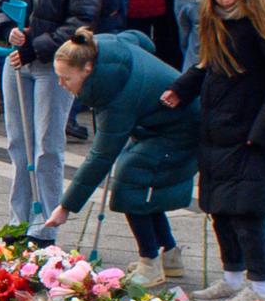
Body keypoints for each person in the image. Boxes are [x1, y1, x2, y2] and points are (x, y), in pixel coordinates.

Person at [164, 0, 265, 301]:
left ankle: (261, 289)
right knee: (220, 209)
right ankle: (233, 278)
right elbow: (208, 62)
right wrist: (182, 88)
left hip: (251, 130)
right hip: (218, 128)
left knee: (247, 213)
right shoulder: (216, 18)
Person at [40, 27, 200, 285]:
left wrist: (66, 206)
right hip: (164, 123)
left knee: (131, 181)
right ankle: (170, 256)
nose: (61, 84)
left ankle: (150, 263)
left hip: (182, 129)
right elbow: (139, 39)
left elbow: (101, 156)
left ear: (87, 70)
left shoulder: (115, 96)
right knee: (143, 184)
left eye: (66, 79)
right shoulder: (99, 46)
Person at [0, 0, 103, 237]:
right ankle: (19, 218)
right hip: (16, 60)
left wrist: (36, 45)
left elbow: (79, 25)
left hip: (53, 66)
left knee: (47, 147)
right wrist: (7, 28)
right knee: (17, 142)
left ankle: (45, 227)